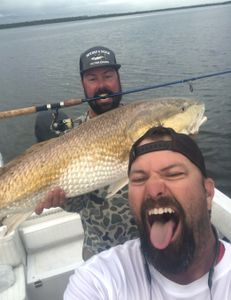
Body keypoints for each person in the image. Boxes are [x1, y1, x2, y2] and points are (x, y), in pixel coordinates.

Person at [63, 126, 231, 300]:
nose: (153, 189)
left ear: (208, 192)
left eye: (173, 174)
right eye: (139, 179)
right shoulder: (97, 279)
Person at [35, 46, 139, 260]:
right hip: (100, 251)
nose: (102, 85)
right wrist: (61, 200)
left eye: (108, 76)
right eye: (92, 79)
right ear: (83, 85)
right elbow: (79, 204)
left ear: (118, 79)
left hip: (148, 243)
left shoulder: (141, 120)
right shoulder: (71, 137)